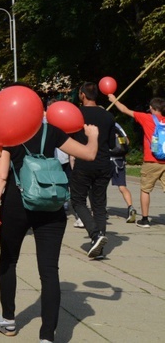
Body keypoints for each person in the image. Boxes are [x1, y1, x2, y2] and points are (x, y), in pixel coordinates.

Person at [0, 88, 99, 343]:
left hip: (17, 204)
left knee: (9, 261)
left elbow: (1, 177)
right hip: (51, 205)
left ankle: (9, 320)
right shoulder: (53, 132)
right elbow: (88, 154)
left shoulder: (10, 136)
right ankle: (47, 336)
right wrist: (93, 136)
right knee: (49, 271)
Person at [70, 82, 117, 258]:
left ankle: (95, 234)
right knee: (99, 205)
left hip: (84, 162)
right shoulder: (108, 116)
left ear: (82, 94)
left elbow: (69, 138)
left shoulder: (76, 115)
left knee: (78, 200)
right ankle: (99, 247)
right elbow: (112, 144)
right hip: (104, 163)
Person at [107, 95, 165, 228]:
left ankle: (144, 220)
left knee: (145, 190)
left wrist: (113, 99)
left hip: (152, 161)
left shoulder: (147, 118)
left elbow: (124, 110)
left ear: (151, 108)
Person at [110, 122, 137, 223]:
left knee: (100, 187)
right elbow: (127, 142)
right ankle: (130, 207)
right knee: (122, 186)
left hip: (106, 159)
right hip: (119, 160)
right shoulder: (117, 125)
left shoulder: (99, 123)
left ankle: (100, 211)